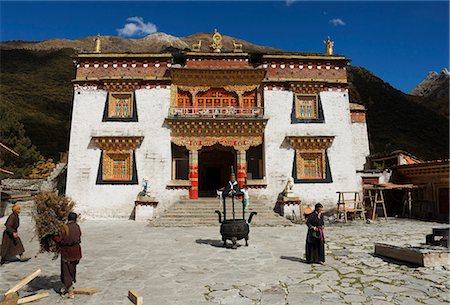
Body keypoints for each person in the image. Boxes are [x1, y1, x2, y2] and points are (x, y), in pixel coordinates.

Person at [53, 212, 82, 299]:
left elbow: (59, 239)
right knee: (72, 269)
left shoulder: (65, 227)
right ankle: (69, 286)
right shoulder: (77, 226)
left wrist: (52, 236)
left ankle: (70, 292)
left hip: (67, 252)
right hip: (77, 252)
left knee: (66, 272)